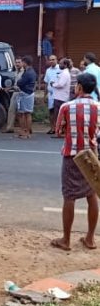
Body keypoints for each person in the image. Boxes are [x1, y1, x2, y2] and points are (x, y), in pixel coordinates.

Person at [51, 73, 100, 252]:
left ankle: (66, 239)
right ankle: (90, 238)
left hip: (72, 155)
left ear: (79, 87)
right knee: (92, 194)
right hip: (91, 154)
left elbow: (58, 131)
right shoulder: (98, 107)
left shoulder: (67, 107)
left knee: (69, 196)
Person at [16, 56, 37, 139]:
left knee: (26, 113)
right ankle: (24, 131)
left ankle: (26, 131)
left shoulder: (28, 72)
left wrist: (19, 82)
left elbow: (20, 82)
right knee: (24, 113)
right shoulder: (31, 71)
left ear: (25, 63)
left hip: (26, 93)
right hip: (28, 93)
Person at [50, 58, 71, 134]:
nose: (59, 65)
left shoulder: (65, 73)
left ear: (65, 65)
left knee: (60, 116)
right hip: (59, 96)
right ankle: (60, 130)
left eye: (61, 63)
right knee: (59, 115)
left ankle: (60, 131)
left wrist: (53, 84)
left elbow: (61, 84)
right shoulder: (63, 73)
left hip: (61, 97)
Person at [4, 56, 24, 133]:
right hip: (15, 92)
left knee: (21, 112)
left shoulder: (24, 72)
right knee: (11, 110)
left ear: (22, 63)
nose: (17, 64)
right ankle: (9, 128)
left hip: (22, 93)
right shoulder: (16, 71)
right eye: (16, 62)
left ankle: (24, 129)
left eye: (19, 62)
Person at [44, 55, 61, 134]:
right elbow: (46, 83)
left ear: (56, 60)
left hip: (59, 93)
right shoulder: (48, 70)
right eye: (50, 60)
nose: (52, 61)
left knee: (58, 112)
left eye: (53, 59)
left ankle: (59, 128)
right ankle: (52, 128)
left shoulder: (60, 69)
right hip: (51, 94)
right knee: (51, 111)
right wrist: (45, 95)